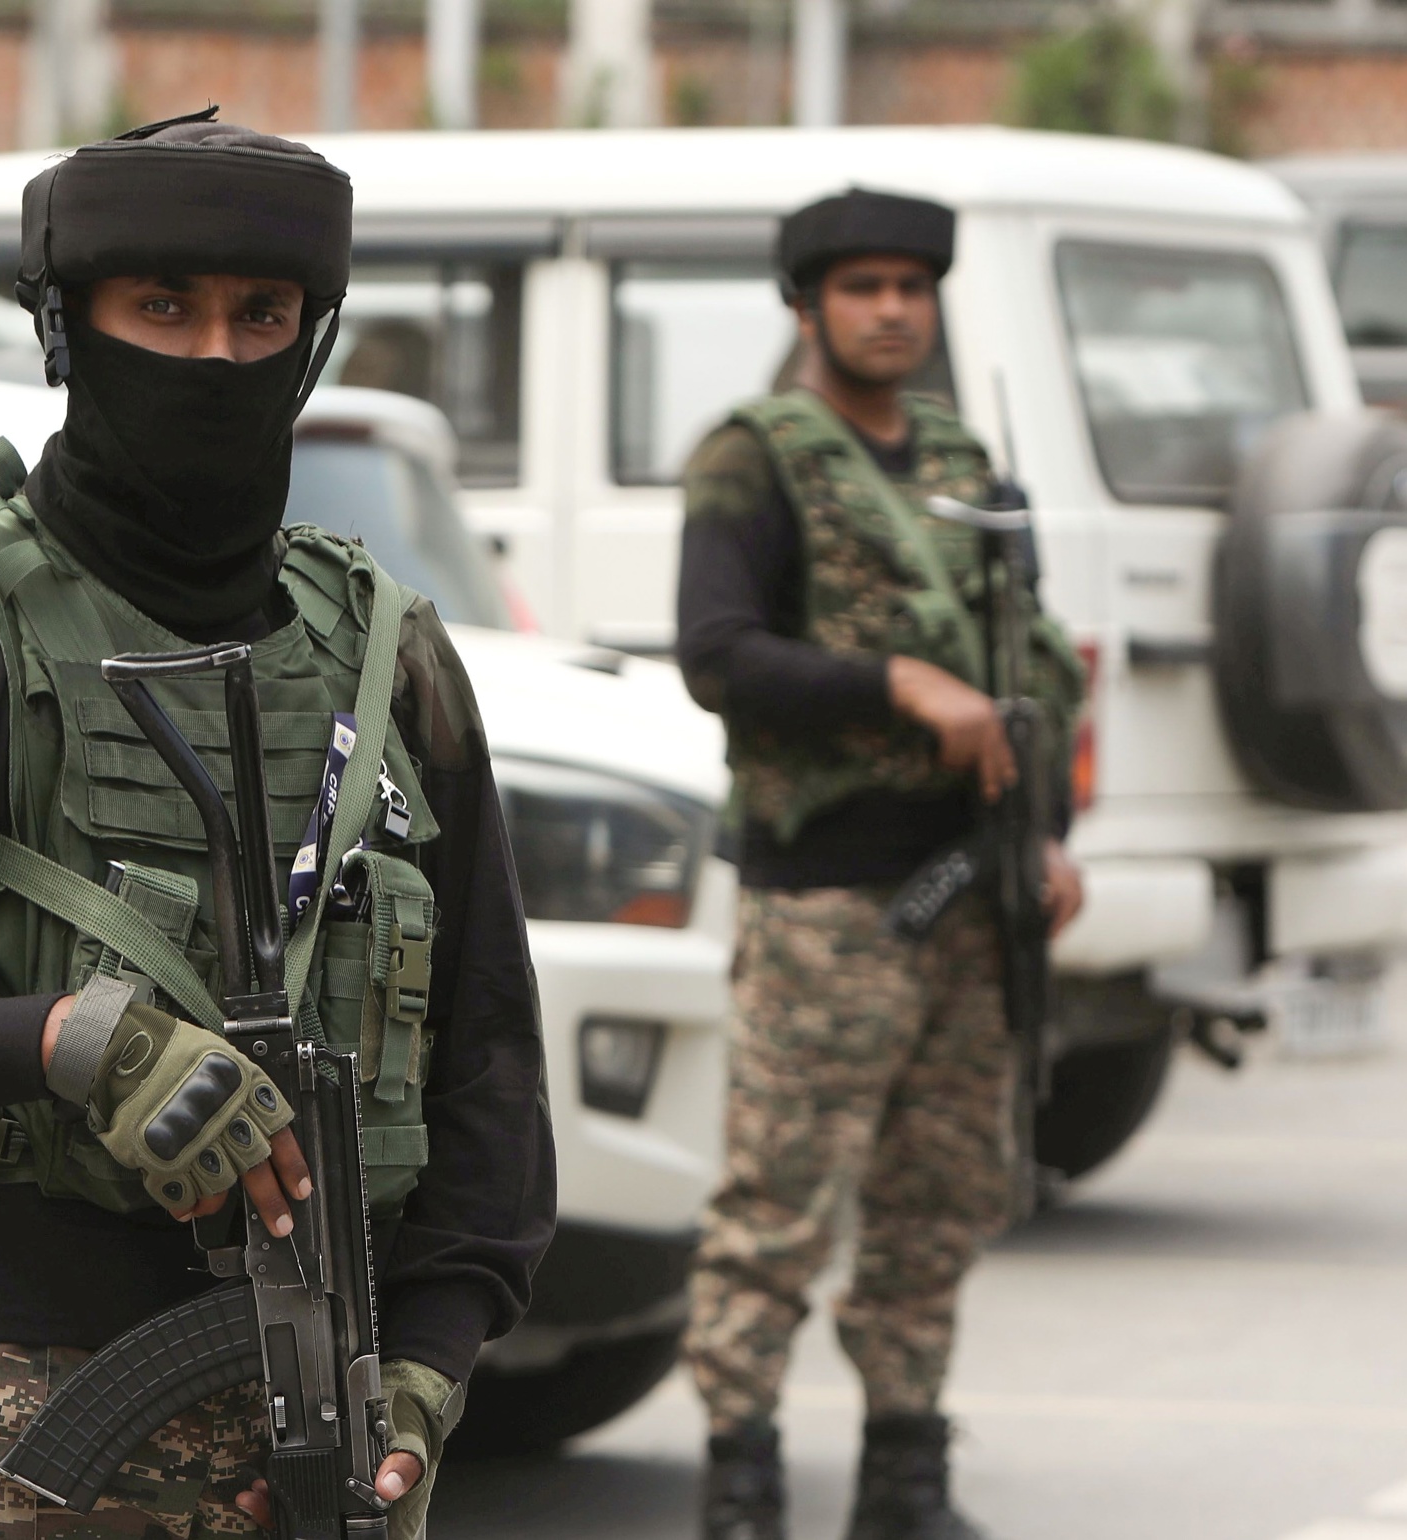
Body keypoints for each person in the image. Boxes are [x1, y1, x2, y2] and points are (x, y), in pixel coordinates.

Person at [0, 109, 554, 1540]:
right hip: (15, 1401)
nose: (217, 359)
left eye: (261, 316)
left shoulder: (392, 660)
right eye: (160, 308)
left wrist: (423, 1375)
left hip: (335, 1404)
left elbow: (488, 1074)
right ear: (66, 327)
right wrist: (63, 1045)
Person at [672, 188, 1087, 1540]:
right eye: (862, 287)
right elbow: (719, 656)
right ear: (807, 305)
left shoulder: (965, 468)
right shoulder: (756, 459)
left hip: (974, 895)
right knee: (778, 1202)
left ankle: (904, 1477)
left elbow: (1028, 669)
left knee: (940, 1195)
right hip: (828, 900)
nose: (892, 310)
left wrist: (1046, 842)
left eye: (912, 287)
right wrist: (896, 683)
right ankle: (740, 1477)